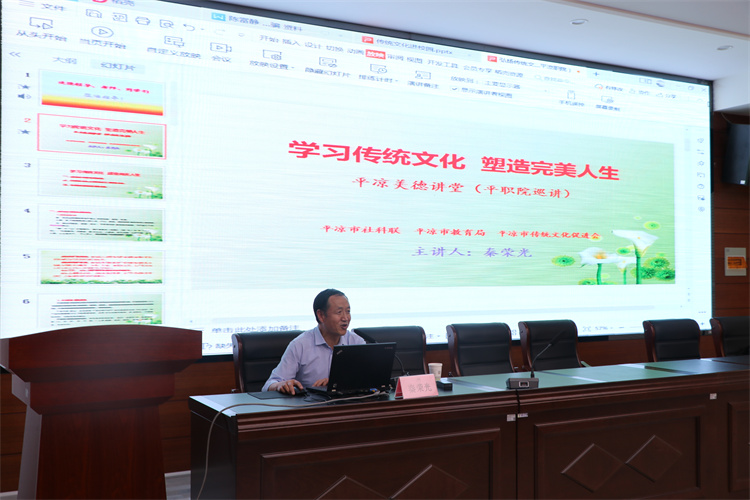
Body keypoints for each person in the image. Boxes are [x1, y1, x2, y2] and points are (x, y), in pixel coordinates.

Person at [262, 289, 365, 393]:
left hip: (349, 402)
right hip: (311, 402)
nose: (346, 318)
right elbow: (269, 385)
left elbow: (368, 380)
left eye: (348, 311)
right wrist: (280, 385)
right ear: (321, 315)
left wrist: (337, 384)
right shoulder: (300, 345)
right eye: (339, 312)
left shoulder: (356, 342)